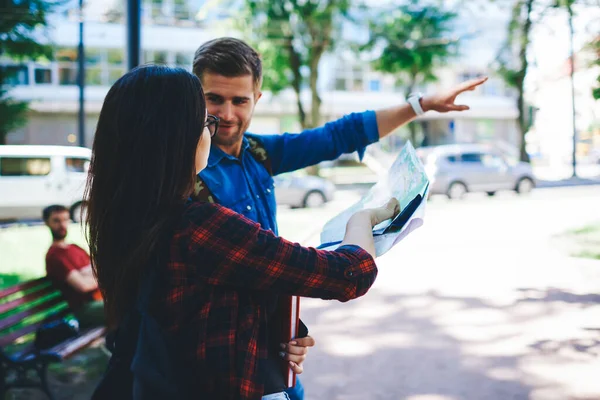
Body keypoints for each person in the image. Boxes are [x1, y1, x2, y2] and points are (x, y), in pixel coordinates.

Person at [191, 37, 487, 399]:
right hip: (221, 353)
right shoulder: (184, 177)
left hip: (274, 340)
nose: (226, 114)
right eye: (213, 99)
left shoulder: (260, 152)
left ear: (257, 98)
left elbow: (338, 135)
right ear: (194, 97)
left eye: (240, 100)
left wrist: (420, 105)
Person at [87, 65, 399, 400]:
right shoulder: (199, 228)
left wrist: (276, 334)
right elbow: (349, 274)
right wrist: (362, 220)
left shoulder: (124, 217)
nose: (216, 126)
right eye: (206, 119)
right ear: (179, 136)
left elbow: (201, 310)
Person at [43, 205, 104, 329]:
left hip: (101, 300)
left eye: (65, 220)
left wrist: (94, 276)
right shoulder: (55, 257)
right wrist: (100, 277)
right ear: (46, 223)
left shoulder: (75, 248)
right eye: (56, 220)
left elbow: (100, 270)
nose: (62, 225)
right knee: (129, 306)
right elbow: (83, 286)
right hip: (85, 308)